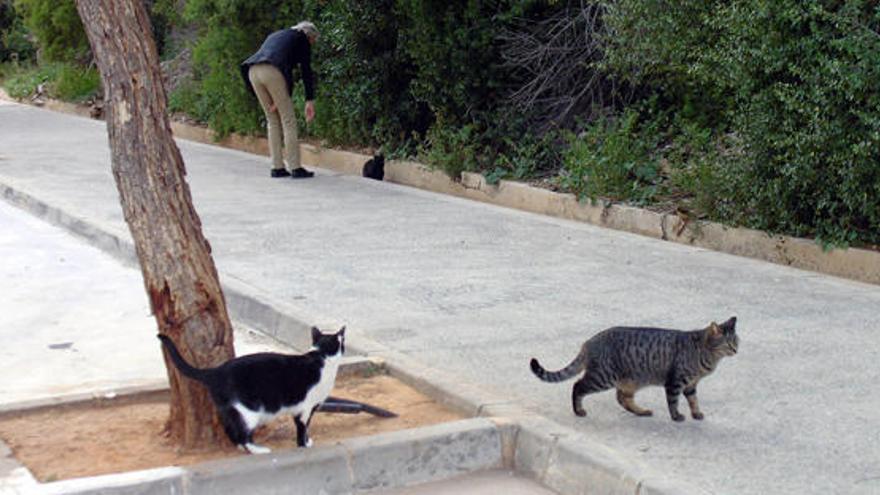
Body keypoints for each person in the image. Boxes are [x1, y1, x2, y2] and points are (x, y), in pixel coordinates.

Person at [241, 21, 319, 178]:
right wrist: (309, 100)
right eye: (313, 40)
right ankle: (295, 167)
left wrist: (279, 97)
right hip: (272, 71)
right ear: (309, 35)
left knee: (272, 120)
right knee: (288, 120)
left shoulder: (278, 35)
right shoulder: (301, 38)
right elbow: (305, 71)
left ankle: (277, 167)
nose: (312, 44)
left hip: (253, 71)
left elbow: (284, 67)